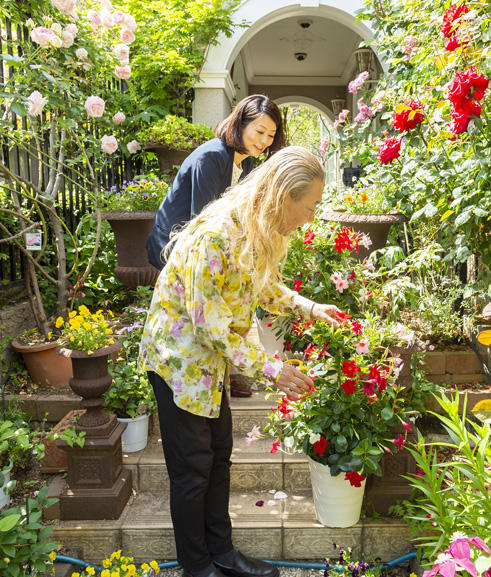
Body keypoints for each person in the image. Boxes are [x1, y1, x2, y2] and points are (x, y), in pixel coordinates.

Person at [139, 147, 340, 577]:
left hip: (208, 362)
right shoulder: (216, 234)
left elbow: (260, 286)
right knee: (192, 471)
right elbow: (209, 326)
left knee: (218, 458)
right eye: (310, 207)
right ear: (284, 196)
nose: (310, 217)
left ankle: (222, 554)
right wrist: (274, 370)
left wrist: (308, 307)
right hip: (179, 362)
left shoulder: (254, 228)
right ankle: (197, 567)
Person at [146, 94, 286, 397]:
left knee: (224, 304)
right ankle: (202, 377)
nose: (264, 140)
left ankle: (224, 373)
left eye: (271, 135)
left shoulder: (243, 161)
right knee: (202, 315)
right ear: (240, 123)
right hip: (177, 246)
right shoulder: (213, 156)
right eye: (259, 131)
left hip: (204, 246)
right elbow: (203, 220)